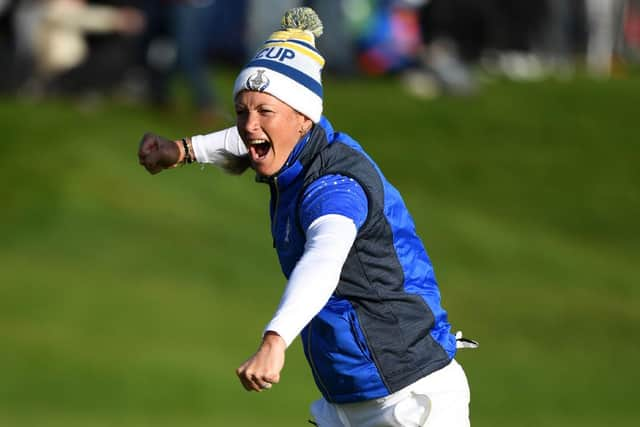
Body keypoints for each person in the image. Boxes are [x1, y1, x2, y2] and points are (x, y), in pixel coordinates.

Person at [138, 7, 476, 426]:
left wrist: (275, 340)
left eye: (264, 112)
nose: (248, 125)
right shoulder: (297, 145)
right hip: (345, 402)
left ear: (303, 118)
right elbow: (246, 138)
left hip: (408, 399)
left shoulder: (334, 187)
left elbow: (324, 260)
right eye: (243, 110)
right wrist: (183, 151)